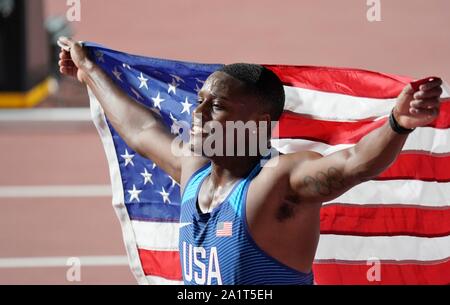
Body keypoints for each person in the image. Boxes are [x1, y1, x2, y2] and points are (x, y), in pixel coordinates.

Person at [57, 37, 443, 285]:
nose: (199, 113)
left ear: (257, 123)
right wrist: (88, 70)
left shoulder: (279, 183)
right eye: (200, 102)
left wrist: (397, 124)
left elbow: (355, 163)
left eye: (218, 106)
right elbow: (141, 130)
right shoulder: (193, 170)